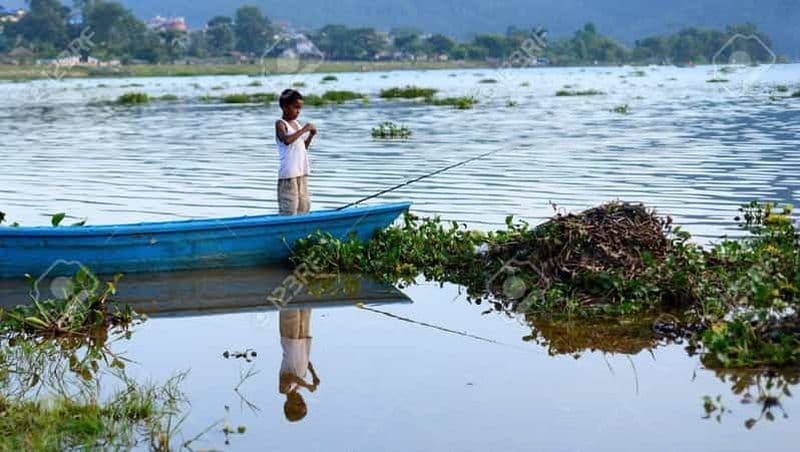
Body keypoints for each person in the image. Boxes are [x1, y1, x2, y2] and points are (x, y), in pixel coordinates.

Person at [275, 89, 317, 215]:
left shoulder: (296, 124)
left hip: (301, 172)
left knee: (304, 207)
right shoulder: (280, 124)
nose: (298, 111)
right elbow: (286, 140)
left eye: (300, 108)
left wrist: (310, 135)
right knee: (289, 208)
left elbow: (303, 147)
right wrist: (304, 130)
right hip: (289, 174)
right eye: (295, 107)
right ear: (284, 107)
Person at [278, 308, 320, 422]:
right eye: (303, 403)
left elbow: (290, 377)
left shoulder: (284, 389)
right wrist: (314, 375)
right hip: (303, 341)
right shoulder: (299, 385)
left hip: (290, 339)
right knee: (305, 308)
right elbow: (305, 362)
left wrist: (307, 385)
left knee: (291, 308)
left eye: (299, 404)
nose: (301, 400)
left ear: (288, 405)